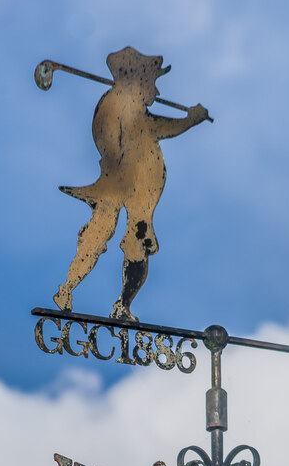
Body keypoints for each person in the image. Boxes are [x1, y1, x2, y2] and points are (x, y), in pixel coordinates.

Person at [54, 46, 209, 320]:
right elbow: (154, 128)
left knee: (126, 242)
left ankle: (119, 305)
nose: (156, 92)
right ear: (136, 80)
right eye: (151, 82)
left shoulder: (126, 106)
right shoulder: (119, 106)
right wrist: (190, 120)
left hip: (137, 194)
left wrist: (189, 120)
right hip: (120, 187)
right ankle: (70, 290)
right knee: (104, 237)